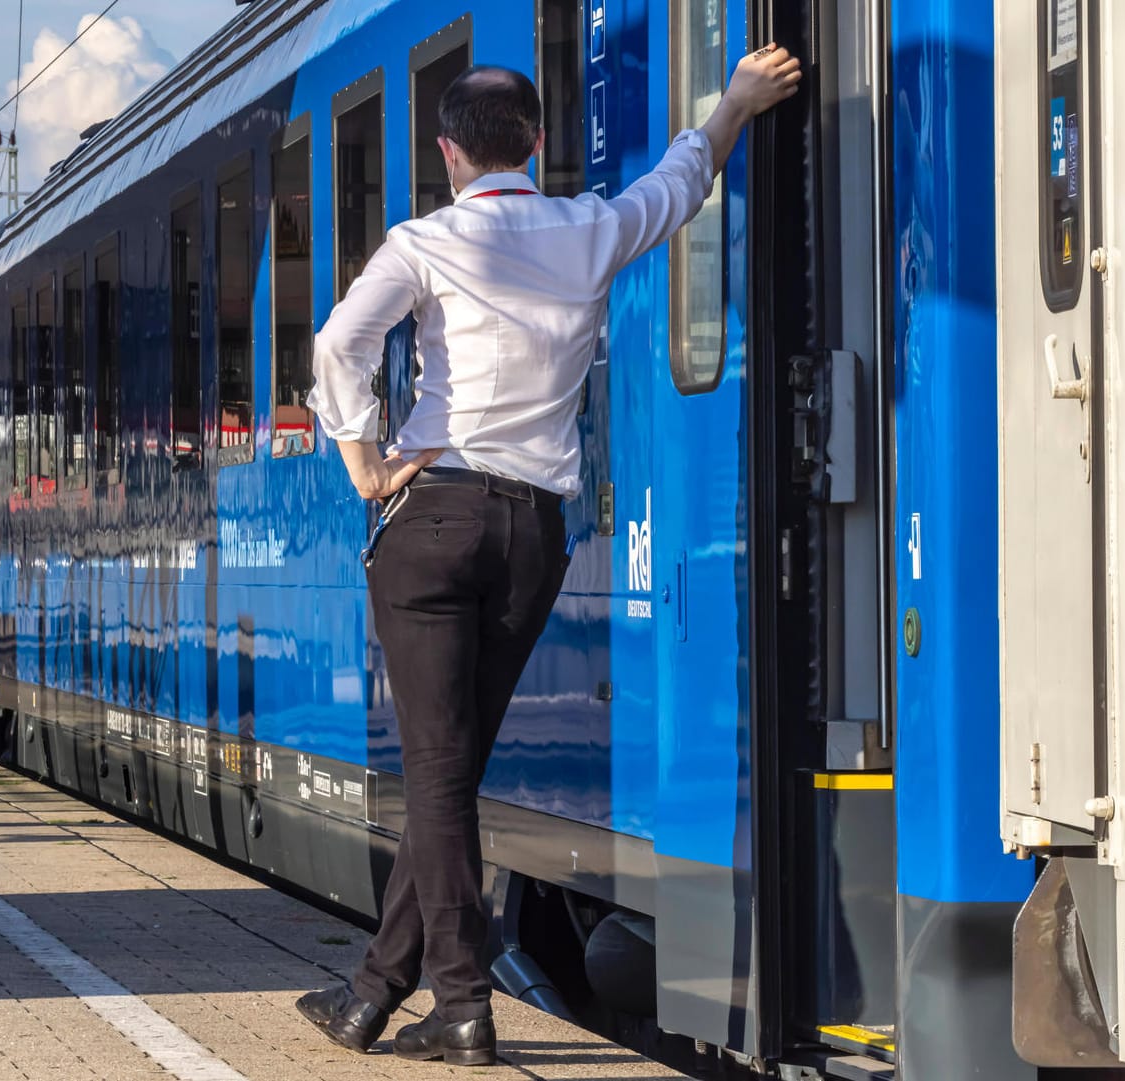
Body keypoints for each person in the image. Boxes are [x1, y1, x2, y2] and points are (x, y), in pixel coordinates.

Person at [296, 44, 802, 1067]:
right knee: (454, 768)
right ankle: (369, 992)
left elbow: (339, 343)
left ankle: (462, 1002)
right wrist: (734, 105)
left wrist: (363, 459)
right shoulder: (588, 227)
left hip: (433, 518)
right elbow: (680, 179)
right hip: (533, 533)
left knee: (437, 772)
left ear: (447, 153)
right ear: (536, 143)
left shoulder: (424, 242)